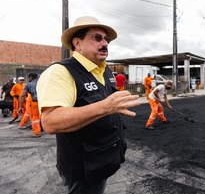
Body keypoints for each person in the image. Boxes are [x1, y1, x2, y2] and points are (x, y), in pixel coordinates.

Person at [37, 16, 140, 193]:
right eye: (97, 38)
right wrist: (105, 107)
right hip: (83, 168)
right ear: (77, 43)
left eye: (106, 39)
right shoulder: (61, 72)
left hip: (103, 160)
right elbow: (50, 122)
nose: (105, 43)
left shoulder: (105, 69)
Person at [18, 73, 41, 137]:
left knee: (35, 117)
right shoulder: (42, 83)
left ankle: (37, 132)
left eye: (28, 77)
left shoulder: (28, 85)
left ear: (31, 77)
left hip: (35, 102)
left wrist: (20, 107)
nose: (28, 79)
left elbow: (22, 96)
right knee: (42, 115)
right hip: (44, 102)